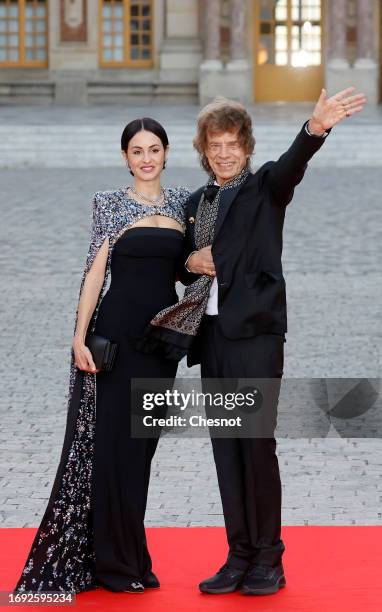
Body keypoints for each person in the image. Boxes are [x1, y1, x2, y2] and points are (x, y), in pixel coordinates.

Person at [138, 87, 366, 595]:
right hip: (213, 338)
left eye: (232, 143)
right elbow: (177, 262)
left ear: (246, 146)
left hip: (257, 336)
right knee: (226, 448)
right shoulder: (196, 203)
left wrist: (316, 127)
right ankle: (237, 555)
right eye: (214, 144)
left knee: (256, 446)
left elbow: (292, 166)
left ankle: (269, 558)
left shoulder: (264, 188)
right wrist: (187, 262)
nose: (223, 152)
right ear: (203, 149)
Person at [13, 118, 190, 594]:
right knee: (114, 450)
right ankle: (115, 565)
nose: (146, 158)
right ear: (125, 158)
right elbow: (94, 272)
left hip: (160, 346)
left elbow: (192, 271)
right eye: (137, 151)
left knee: (142, 451)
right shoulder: (108, 204)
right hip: (115, 338)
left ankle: (132, 557)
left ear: (168, 153)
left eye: (154, 149)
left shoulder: (183, 205)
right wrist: (78, 336)